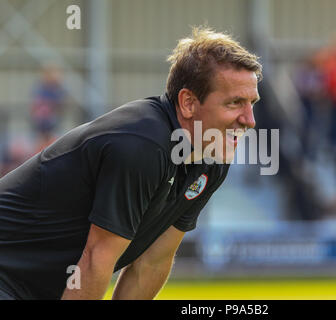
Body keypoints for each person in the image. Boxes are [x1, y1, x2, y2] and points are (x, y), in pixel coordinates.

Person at [0, 27, 262, 300]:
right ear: (187, 103)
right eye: (235, 103)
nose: (249, 120)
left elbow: (152, 263)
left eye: (252, 103)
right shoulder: (143, 145)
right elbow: (95, 259)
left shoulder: (213, 157)